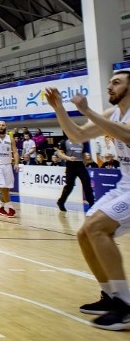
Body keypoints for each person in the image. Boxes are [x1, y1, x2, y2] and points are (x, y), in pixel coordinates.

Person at [44, 72, 130, 330]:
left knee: (97, 227)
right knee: (84, 233)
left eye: (117, 82)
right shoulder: (112, 114)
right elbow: (77, 135)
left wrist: (88, 110)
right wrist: (59, 109)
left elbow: (126, 136)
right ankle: (111, 296)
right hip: (125, 184)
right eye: (110, 82)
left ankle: (125, 306)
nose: (109, 86)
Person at [56, 134, 95, 211]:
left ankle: (91, 203)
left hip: (80, 165)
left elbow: (83, 154)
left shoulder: (82, 142)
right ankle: (61, 201)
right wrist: (68, 158)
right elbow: (59, 153)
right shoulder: (65, 142)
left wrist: (85, 164)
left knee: (87, 183)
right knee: (69, 186)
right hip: (70, 165)